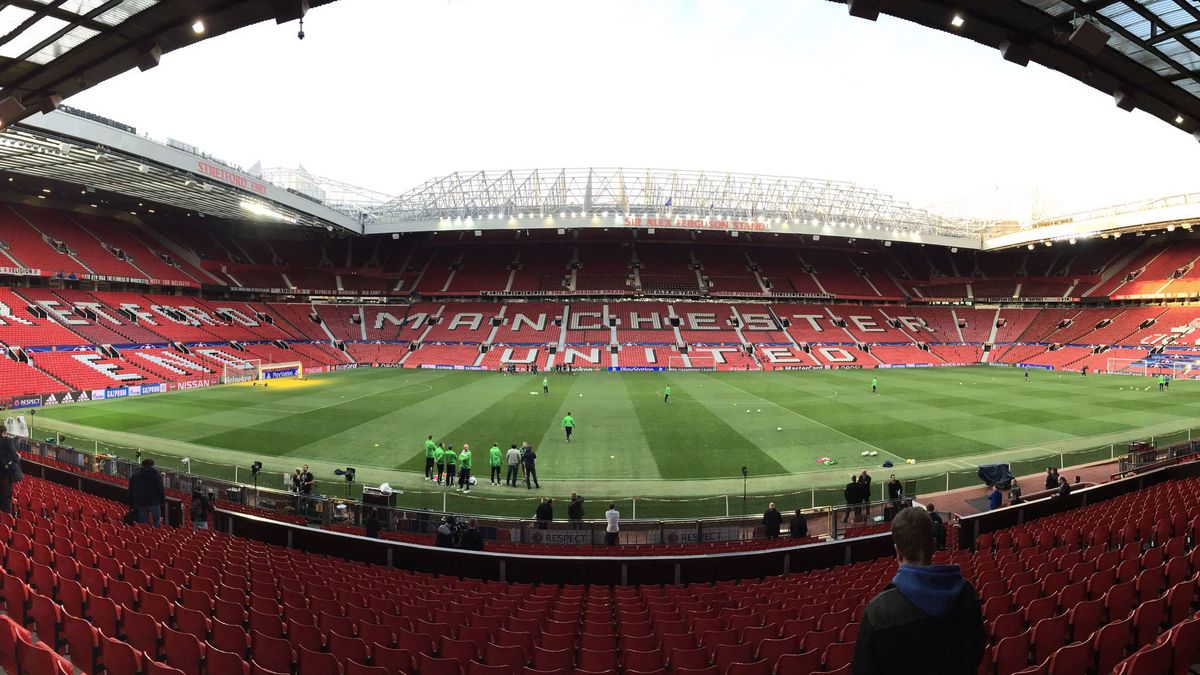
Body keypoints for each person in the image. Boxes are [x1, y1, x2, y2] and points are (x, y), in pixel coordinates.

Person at [853, 507, 986, 675]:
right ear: (933, 546)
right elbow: (977, 653)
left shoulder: (878, 612)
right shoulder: (967, 592)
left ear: (898, 551)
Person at [128, 458, 165, 527]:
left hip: (140, 502)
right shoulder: (156, 475)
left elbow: (131, 490)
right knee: (156, 521)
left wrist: (131, 504)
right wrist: (162, 501)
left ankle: (145, 535)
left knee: (143, 524)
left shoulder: (135, 475)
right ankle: (155, 534)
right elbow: (160, 489)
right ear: (152, 465)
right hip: (153, 502)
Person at [0, 424, 20, 514]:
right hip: (5, 476)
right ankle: (6, 523)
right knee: (6, 501)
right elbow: (15, 458)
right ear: (4, 433)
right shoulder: (7, 442)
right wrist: (17, 456)